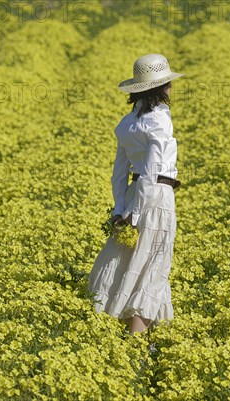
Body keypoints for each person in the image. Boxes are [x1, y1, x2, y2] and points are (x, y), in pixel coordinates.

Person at [88, 54, 184, 337]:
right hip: (156, 198)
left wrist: (122, 209)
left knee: (129, 263)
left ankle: (127, 339)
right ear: (161, 87)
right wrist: (137, 215)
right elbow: (153, 171)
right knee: (152, 268)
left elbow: (119, 173)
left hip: (133, 195)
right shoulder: (160, 120)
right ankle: (136, 345)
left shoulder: (126, 124)